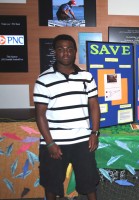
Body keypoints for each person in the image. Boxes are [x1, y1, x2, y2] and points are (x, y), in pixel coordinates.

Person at [33, 34, 100, 200]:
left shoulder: (87, 77)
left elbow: (94, 106)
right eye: (61, 49)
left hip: (82, 141)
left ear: (75, 52)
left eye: (70, 49)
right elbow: (40, 115)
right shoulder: (43, 80)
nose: (66, 53)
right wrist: (49, 143)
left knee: (90, 183)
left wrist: (94, 133)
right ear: (55, 52)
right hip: (56, 142)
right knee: (51, 184)